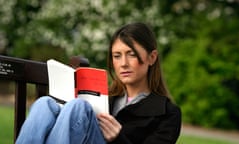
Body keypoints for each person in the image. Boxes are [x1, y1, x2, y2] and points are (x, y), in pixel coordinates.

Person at [16, 22, 181, 144]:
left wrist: (118, 138)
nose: (123, 63)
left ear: (151, 57)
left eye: (131, 54)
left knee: (78, 107)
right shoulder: (105, 99)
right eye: (117, 56)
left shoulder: (168, 113)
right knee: (45, 103)